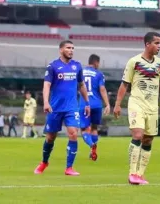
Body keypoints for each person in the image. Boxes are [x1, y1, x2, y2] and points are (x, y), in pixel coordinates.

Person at [113, 32, 160, 185]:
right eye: (156, 43)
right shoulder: (134, 62)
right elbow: (124, 84)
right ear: (147, 44)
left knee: (148, 139)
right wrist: (117, 104)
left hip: (152, 107)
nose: (159, 46)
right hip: (136, 104)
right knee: (138, 135)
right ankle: (132, 173)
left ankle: (140, 174)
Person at [33, 40, 91, 176]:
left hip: (71, 107)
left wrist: (87, 103)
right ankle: (44, 162)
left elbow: (81, 85)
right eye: (68, 48)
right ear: (61, 50)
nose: (71, 50)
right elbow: (46, 85)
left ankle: (69, 168)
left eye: (72, 48)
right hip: (55, 108)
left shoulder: (77, 66)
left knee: (73, 133)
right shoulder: (53, 66)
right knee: (50, 137)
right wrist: (46, 102)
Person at [79, 54, 110, 161]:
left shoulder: (80, 72)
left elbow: (76, 88)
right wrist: (107, 104)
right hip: (97, 105)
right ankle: (93, 151)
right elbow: (102, 89)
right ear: (96, 62)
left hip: (84, 104)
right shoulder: (99, 74)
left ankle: (91, 144)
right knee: (94, 128)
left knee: (83, 129)